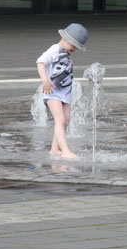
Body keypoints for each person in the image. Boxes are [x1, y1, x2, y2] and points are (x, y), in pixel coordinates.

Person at [36, 23, 89, 160]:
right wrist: (45, 81)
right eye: (73, 45)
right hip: (52, 91)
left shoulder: (65, 52)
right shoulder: (55, 50)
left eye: (77, 47)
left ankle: (55, 149)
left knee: (65, 120)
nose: (75, 49)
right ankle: (65, 151)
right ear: (65, 39)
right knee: (59, 120)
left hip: (64, 92)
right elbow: (40, 62)